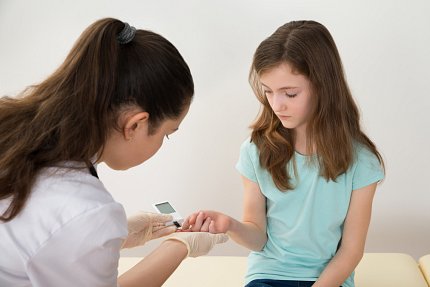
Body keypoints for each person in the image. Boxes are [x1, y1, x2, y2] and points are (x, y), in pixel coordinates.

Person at [0, 18, 227, 287]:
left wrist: (119, 237)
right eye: (167, 133)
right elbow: (64, 227)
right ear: (135, 124)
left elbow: (38, 241)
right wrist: (179, 246)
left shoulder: (14, 133)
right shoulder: (85, 212)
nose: (162, 143)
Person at [182, 20, 385, 287]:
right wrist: (229, 224)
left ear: (323, 86)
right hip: (269, 275)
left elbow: (350, 251)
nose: (277, 105)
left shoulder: (362, 161)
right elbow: (258, 238)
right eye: (268, 92)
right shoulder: (256, 151)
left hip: (329, 280)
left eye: (290, 93)